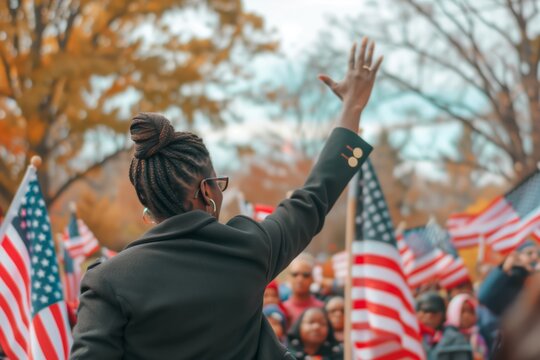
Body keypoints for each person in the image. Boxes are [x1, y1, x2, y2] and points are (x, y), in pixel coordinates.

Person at [70, 37, 382, 359]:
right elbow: (315, 196)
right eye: (219, 183)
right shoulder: (249, 248)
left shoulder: (106, 281)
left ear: (149, 210)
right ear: (207, 191)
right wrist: (352, 107)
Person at [283, 253, 325, 325]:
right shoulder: (282, 310)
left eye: (305, 275)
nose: (300, 279)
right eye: (295, 274)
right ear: (288, 277)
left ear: (313, 278)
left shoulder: (322, 308)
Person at [445, 294, 488, 360]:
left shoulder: (477, 336)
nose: (467, 315)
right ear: (452, 311)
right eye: (462, 311)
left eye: (471, 311)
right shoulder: (447, 336)